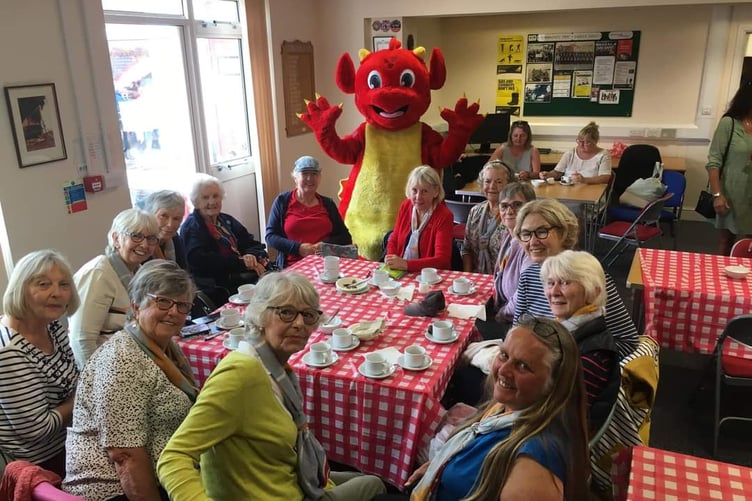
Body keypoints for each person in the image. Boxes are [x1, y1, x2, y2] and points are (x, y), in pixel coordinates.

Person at [157, 272, 386, 500]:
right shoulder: (240, 373)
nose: (299, 324)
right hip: (275, 493)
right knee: (374, 485)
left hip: (284, 478)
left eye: (308, 315)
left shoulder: (275, 367)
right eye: (286, 313)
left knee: (365, 480)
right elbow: (173, 457)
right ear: (260, 315)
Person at [405, 316, 589, 501]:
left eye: (523, 366)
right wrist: (439, 466)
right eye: (504, 355)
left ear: (553, 384)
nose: (503, 370)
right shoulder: (507, 407)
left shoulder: (531, 467)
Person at [63, 260, 197, 501]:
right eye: (163, 301)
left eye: (182, 305)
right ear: (136, 306)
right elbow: (124, 455)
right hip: (113, 490)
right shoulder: (122, 360)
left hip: (167, 474)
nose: (174, 312)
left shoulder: (164, 348)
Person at [512, 199, 638, 359]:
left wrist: (571, 363)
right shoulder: (528, 276)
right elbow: (517, 329)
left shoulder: (590, 278)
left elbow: (628, 342)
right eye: (526, 234)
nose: (532, 241)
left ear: (563, 232)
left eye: (542, 231)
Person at [0, 250, 80, 477]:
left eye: (64, 285)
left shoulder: (52, 325)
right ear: (20, 289)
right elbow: (37, 430)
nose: (57, 293)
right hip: (38, 463)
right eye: (43, 284)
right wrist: (80, 398)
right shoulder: (8, 351)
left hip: (70, 439)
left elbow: (73, 379)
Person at [69, 208, 159, 369]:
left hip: (134, 364)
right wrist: (96, 382)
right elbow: (81, 339)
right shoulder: (98, 273)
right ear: (116, 239)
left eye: (151, 238)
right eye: (136, 236)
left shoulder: (136, 270)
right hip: (109, 371)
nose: (145, 245)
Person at [540, 250, 620, 433]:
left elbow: (560, 419)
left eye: (565, 283)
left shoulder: (594, 355)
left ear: (593, 292)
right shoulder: (565, 328)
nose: (554, 291)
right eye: (551, 283)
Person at [181, 173, 270, 305]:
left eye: (216, 196)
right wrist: (241, 262)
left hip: (243, 278)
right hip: (219, 288)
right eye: (205, 197)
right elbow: (201, 262)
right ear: (196, 201)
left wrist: (251, 255)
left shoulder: (226, 220)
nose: (212, 202)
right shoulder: (192, 227)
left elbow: (252, 243)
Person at [266, 155, 352, 268]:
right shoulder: (282, 201)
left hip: (327, 265)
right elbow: (270, 237)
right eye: (305, 173)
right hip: (293, 267)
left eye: (314, 174)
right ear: (295, 178)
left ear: (319, 177)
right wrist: (298, 248)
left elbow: (345, 237)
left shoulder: (328, 204)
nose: (309, 178)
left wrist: (325, 245)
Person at [706, 81, 752, 255]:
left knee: (749, 245)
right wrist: (717, 195)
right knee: (726, 241)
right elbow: (714, 162)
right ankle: (721, 279)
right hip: (732, 192)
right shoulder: (729, 124)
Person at [385, 165, 454, 272]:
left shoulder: (444, 216)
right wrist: (391, 258)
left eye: (424, 191)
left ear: (435, 192)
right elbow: (394, 238)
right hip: (401, 271)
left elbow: (442, 260)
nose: (418, 197)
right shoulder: (405, 206)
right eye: (414, 190)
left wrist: (406, 264)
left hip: (429, 276)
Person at [461, 160, 513, 274]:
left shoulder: (512, 215)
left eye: (498, 182)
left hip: (502, 280)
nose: (492, 186)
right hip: (476, 279)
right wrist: (468, 276)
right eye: (487, 181)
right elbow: (466, 249)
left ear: (509, 185)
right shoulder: (475, 212)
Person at [541, 121, 611, 185]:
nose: (581, 144)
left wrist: (584, 180)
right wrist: (548, 174)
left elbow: (605, 178)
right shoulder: (570, 153)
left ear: (595, 142)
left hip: (592, 191)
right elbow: (557, 173)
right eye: (579, 141)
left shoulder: (603, 155)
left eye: (586, 142)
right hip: (568, 190)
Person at [143, 190, 187, 269]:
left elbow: (184, 272)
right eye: (164, 216)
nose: (170, 224)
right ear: (150, 215)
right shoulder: (141, 244)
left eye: (176, 218)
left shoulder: (176, 239)